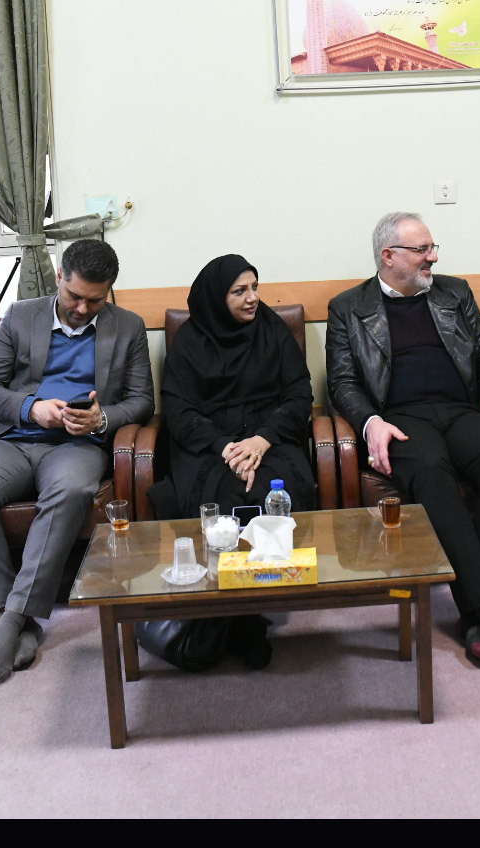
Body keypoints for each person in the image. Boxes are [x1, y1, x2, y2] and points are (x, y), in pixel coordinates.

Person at [326, 212, 480, 667]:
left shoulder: (454, 293)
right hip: (400, 419)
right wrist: (370, 422)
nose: (433, 257)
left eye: (432, 247)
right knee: (430, 473)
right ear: (388, 256)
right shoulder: (348, 307)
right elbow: (341, 382)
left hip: (461, 411)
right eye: (422, 249)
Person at [0, 239, 153, 685]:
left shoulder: (128, 327)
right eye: (74, 295)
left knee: (72, 491)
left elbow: (142, 401)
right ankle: (12, 614)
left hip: (77, 446)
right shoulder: (21, 316)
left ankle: (12, 618)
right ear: (59, 277)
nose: (82, 308)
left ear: (109, 291)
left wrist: (101, 419)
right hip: (14, 439)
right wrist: (30, 408)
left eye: (95, 300)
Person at [149, 254, 317, 668]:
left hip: (269, 436)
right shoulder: (190, 342)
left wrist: (261, 440)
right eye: (239, 291)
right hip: (209, 442)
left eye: (255, 288)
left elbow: (299, 395)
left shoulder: (272, 331)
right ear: (215, 298)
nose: (252, 298)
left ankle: (248, 610)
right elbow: (179, 410)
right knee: (221, 504)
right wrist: (225, 447)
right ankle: (244, 620)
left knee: (270, 496)